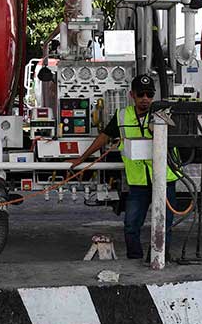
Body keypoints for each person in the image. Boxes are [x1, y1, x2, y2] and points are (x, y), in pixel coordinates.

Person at [69, 74, 179, 259]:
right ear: (132, 95)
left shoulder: (164, 114)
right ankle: (135, 260)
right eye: (141, 94)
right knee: (131, 225)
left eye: (149, 94)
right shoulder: (122, 116)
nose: (145, 98)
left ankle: (159, 257)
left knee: (164, 224)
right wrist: (82, 158)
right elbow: (104, 137)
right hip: (138, 182)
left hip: (164, 179)